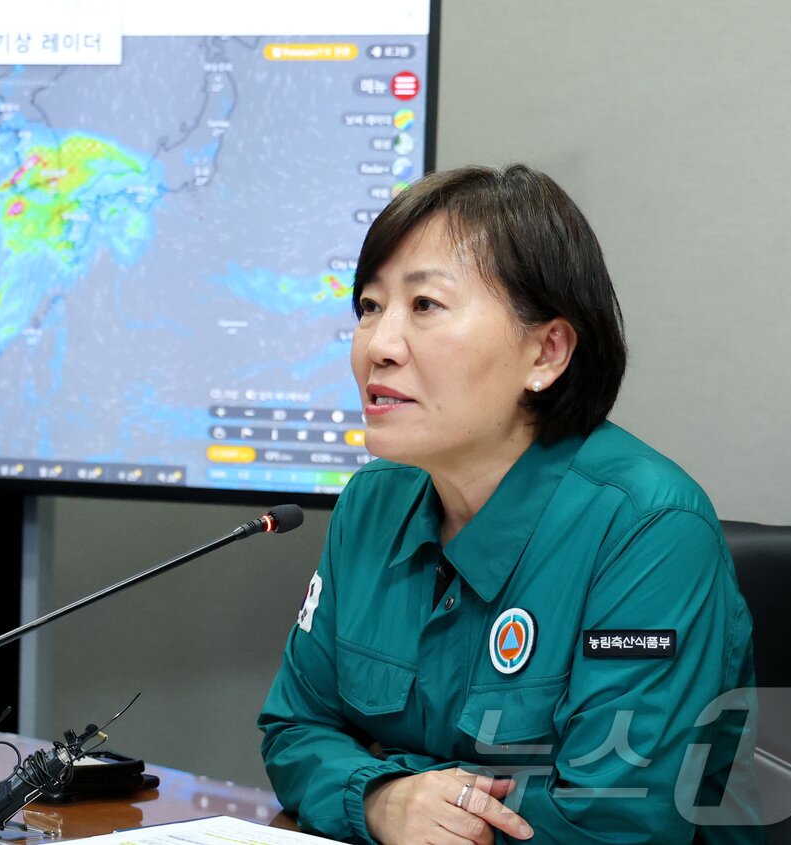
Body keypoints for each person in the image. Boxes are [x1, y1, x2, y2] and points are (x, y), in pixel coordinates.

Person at [258, 165, 761, 844]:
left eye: (425, 306)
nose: (377, 346)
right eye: (369, 307)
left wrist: (413, 787)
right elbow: (294, 729)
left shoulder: (649, 528)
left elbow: (615, 820)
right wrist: (383, 800)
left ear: (546, 351)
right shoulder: (372, 505)